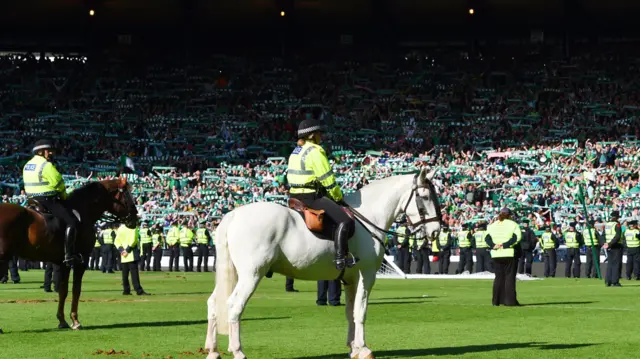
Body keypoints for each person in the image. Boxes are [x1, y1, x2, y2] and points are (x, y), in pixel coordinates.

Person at [286, 119, 357, 271]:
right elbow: (328, 180)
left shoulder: (296, 151)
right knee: (345, 221)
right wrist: (338, 197)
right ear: (312, 135)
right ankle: (340, 258)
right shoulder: (316, 151)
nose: (321, 137)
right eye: (318, 133)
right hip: (310, 196)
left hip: (294, 195)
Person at [22, 139, 80, 266]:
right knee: (72, 221)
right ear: (41, 152)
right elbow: (58, 183)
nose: (51, 154)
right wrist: (64, 196)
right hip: (47, 200)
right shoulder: (46, 165)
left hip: (31, 200)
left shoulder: (27, 165)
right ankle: (69, 254)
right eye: (49, 151)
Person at [485, 208, 521, 307]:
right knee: (509, 278)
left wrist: (493, 245)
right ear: (510, 215)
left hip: (496, 254)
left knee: (498, 278)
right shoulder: (513, 224)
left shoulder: (493, 225)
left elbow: (487, 238)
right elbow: (516, 238)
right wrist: (505, 245)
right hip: (509, 253)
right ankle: (510, 301)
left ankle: (496, 301)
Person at [114, 222, 150, 296]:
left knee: (124, 274)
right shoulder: (133, 227)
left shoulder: (120, 228)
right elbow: (134, 239)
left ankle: (126, 290)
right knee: (134, 274)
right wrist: (127, 250)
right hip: (131, 253)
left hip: (123, 255)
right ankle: (138, 290)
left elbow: (116, 241)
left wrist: (121, 250)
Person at [603, 211, 623, 287]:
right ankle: (615, 281)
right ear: (617, 217)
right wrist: (610, 243)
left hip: (608, 246)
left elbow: (603, 235)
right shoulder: (617, 224)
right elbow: (617, 236)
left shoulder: (607, 224)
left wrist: (605, 243)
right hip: (616, 246)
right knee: (616, 264)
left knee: (610, 264)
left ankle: (608, 281)